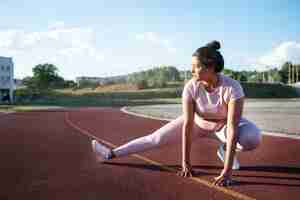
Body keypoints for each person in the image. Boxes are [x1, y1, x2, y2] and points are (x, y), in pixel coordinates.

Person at [91, 41, 262, 187]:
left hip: (223, 127)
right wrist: (185, 162)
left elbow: (232, 127)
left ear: (210, 67)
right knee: (155, 139)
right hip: (197, 123)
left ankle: (225, 150)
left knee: (252, 137)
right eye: (191, 67)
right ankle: (111, 153)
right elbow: (187, 125)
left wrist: (227, 171)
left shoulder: (232, 87)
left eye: (196, 67)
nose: (192, 71)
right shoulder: (191, 87)